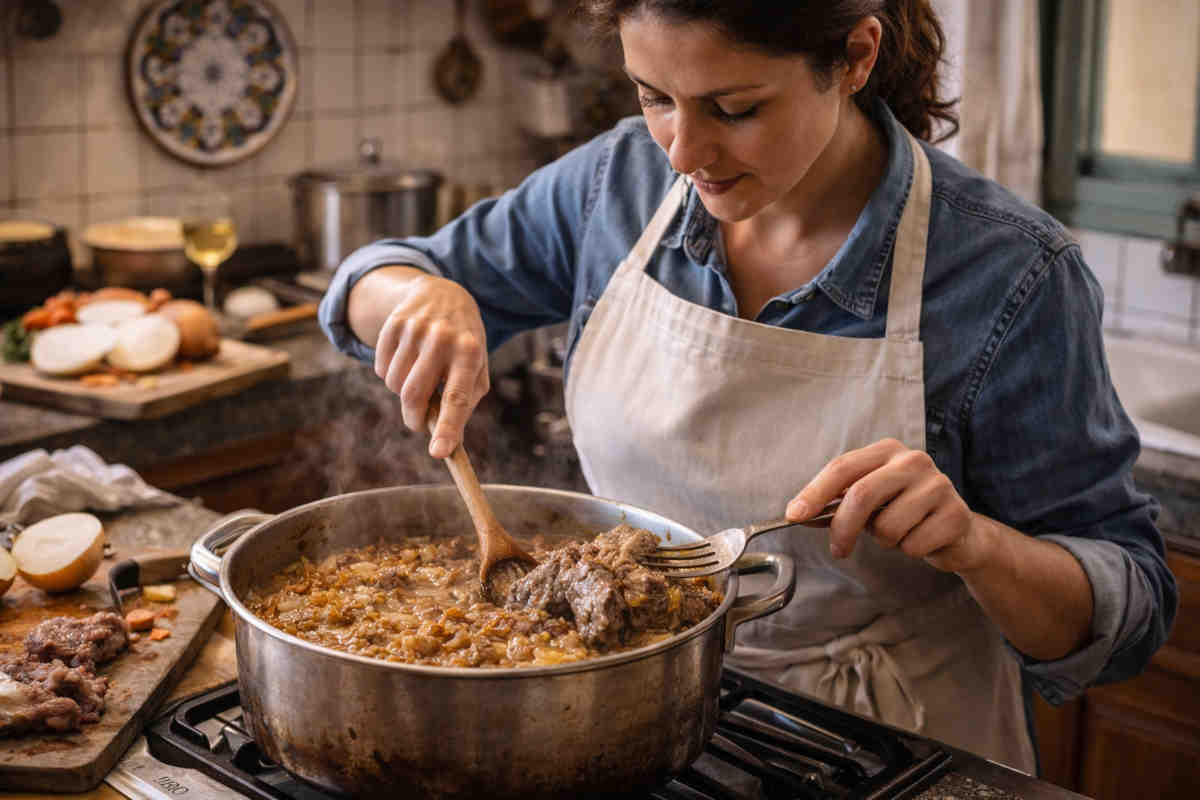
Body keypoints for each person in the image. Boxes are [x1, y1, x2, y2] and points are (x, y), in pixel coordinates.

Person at [318, 0, 1177, 773]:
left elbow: (1126, 611)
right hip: (618, 722)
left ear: (855, 57)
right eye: (653, 95)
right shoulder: (616, 184)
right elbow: (375, 277)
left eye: (735, 108)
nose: (684, 151)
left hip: (891, 745)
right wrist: (421, 295)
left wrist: (975, 544)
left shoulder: (1009, 272)